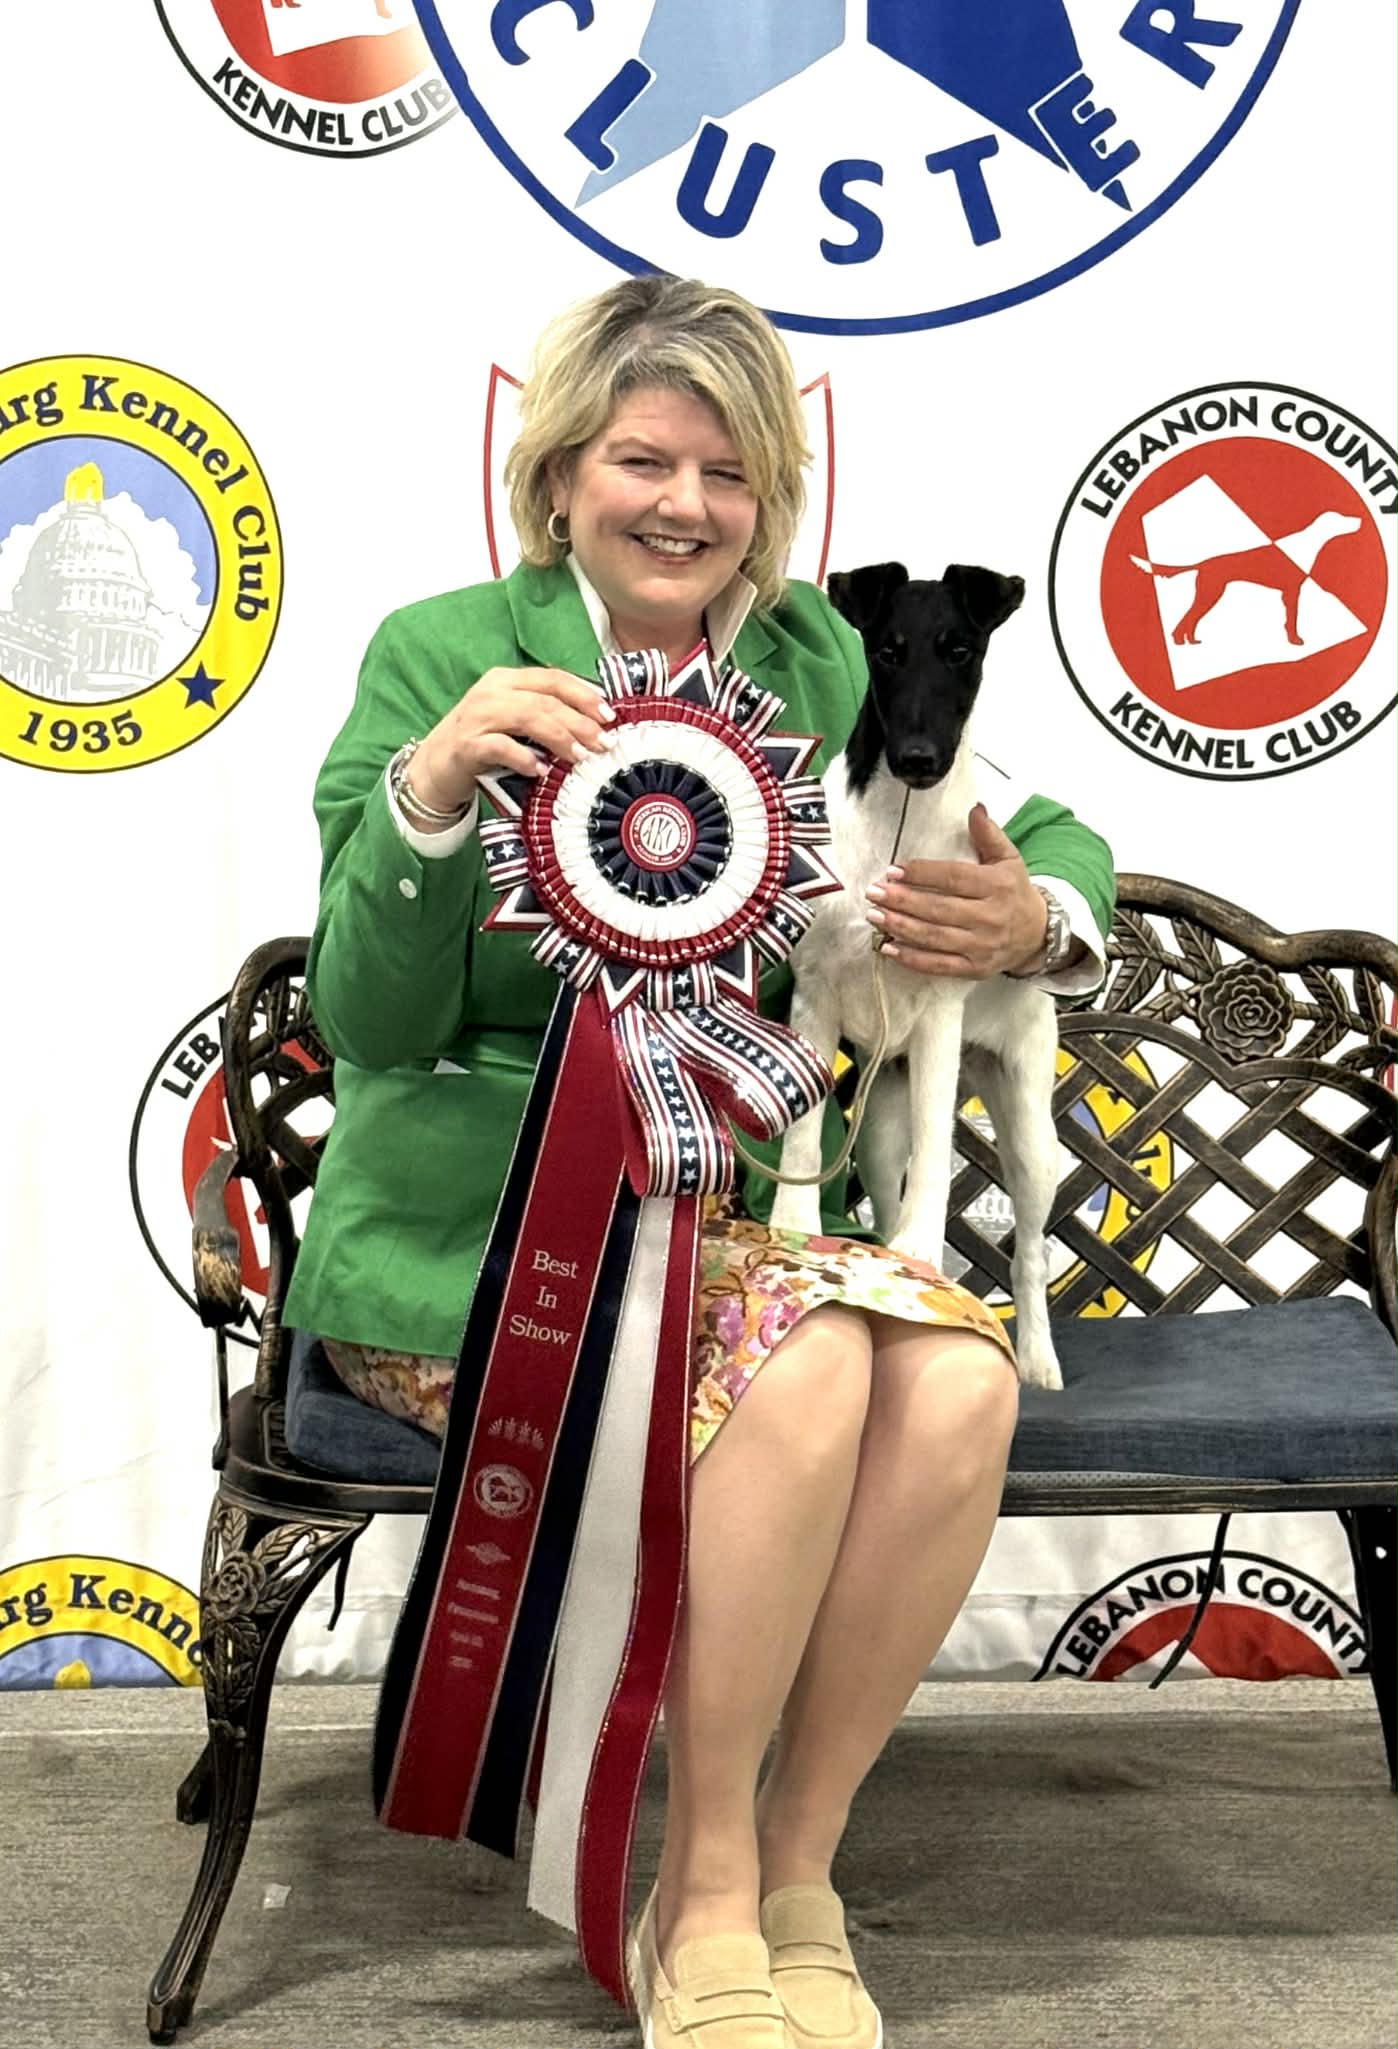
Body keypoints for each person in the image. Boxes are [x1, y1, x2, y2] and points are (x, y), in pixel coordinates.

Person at [283, 274, 1115, 2049]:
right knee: (805, 1365)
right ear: (557, 475)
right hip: (478, 1239)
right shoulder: (442, 652)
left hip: (744, 1218)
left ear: (772, 500)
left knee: (960, 1378)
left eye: (728, 472)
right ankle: (706, 1883)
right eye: (642, 460)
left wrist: (1037, 912)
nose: (684, 503)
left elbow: (1038, 824)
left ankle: (800, 1865)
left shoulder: (814, 657)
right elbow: (364, 1013)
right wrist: (430, 792)